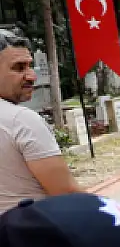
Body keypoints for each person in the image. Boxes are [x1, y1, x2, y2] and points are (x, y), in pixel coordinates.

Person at [0, 31, 78, 211]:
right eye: (19, 68)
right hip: (31, 233)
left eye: (29, 66)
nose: (31, 76)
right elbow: (68, 194)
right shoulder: (20, 120)